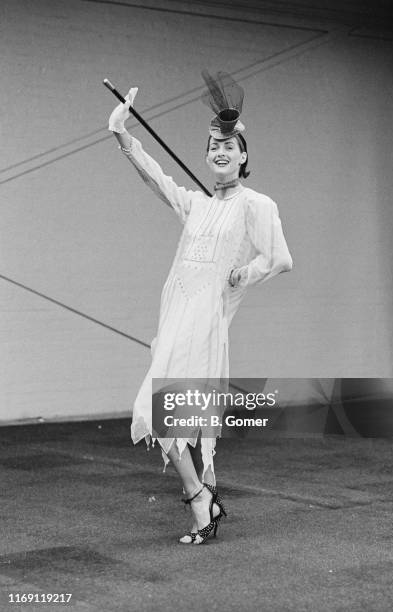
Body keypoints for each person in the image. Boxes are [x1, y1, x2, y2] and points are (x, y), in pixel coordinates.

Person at [108, 77, 292, 545]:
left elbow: (280, 258)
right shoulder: (195, 204)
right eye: (213, 145)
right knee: (164, 414)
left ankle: (200, 503)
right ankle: (203, 498)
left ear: (244, 156)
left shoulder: (257, 204)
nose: (220, 151)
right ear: (207, 156)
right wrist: (123, 136)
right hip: (174, 321)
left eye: (229, 145)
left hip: (205, 324)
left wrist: (244, 273)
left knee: (159, 412)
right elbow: (156, 177)